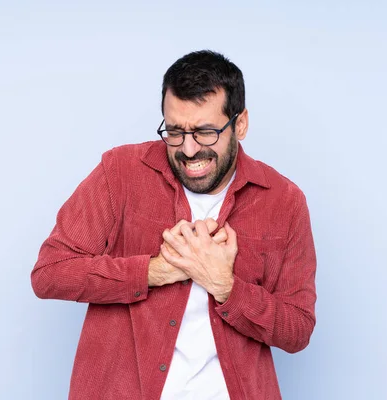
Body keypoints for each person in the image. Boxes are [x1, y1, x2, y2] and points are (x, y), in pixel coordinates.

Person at [31, 50, 317, 400]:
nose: (189, 149)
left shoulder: (283, 201)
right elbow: (50, 273)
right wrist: (156, 271)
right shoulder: (121, 172)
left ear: (239, 124)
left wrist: (225, 286)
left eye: (205, 132)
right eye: (175, 131)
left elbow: (297, 329)